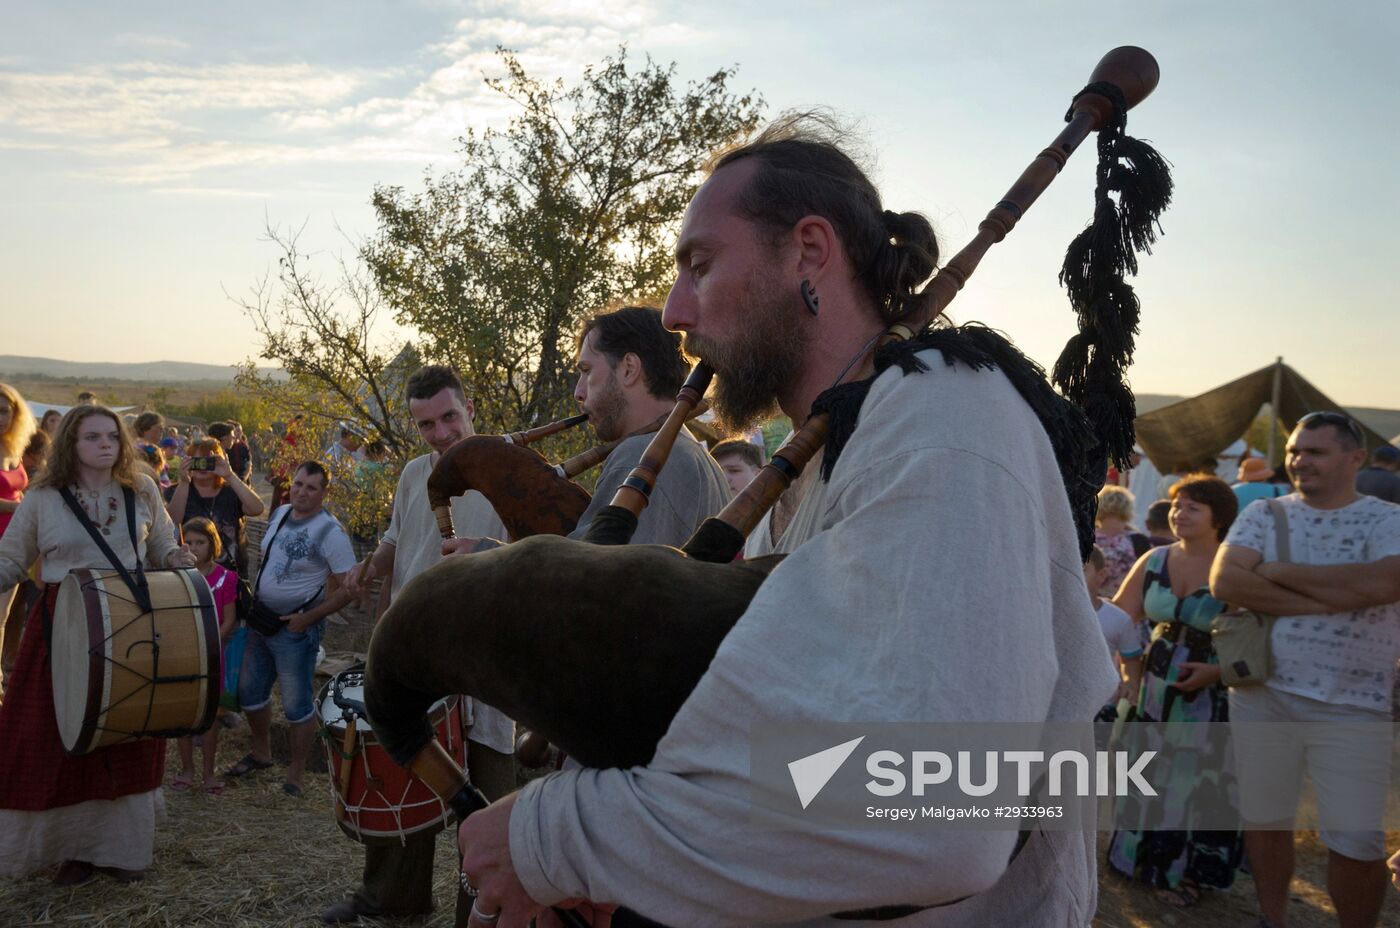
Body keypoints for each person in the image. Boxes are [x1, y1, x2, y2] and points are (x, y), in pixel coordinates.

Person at [455, 118, 1118, 925]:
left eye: (700, 264)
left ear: (808, 250)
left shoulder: (946, 420)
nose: (672, 311)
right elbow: (804, 752)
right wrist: (652, 861)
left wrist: (561, 837)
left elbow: (938, 812)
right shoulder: (830, 452)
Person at [324, 366, 515, 925]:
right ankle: (390, 902)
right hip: (414, 656)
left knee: (487, 800)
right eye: (426, 424)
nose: (440, 433)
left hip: (486, 659)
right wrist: (370, 566)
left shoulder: (512, 467)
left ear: (471, 406)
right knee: (400, 774)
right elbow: (396, 537)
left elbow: (542, 549)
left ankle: (481, 914)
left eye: (449, 417)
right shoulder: (412, 473)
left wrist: (492, 552)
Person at [1211, 411, 1400, 928]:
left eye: (1314, 452)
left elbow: (1383, 585)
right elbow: (1226, 582)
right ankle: (1273, 919)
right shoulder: (1265, 513)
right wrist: (1334, 595)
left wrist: (1277, 573)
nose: (1298, 461)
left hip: (1353, 702)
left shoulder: (1387, 520)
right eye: (1294, 451)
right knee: (1266, 819)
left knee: (1356, 838)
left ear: (1355, 458)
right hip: (1261, 691)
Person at [0, 405, 195, 882]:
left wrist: (176, 555)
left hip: (129, 627)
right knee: (48, 740)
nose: (105, 444)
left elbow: (161, 545)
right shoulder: (43, 498)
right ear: (70, 443)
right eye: (92, 436)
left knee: (127, 740)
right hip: (59, 632)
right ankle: (68, 851)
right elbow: (10, 561)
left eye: (111, 435)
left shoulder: (142, 487)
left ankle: (120, 853)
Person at [1106, 475, 1243, 906]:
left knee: (1194, 777)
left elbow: (1254, 637)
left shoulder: (1234, 565)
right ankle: (1135, 859)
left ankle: (1187, 874)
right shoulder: (1153, 560)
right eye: (1176, 506)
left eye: (1192, 508)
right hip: (1155, 680)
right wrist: (1123, 673)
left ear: (1218, 519)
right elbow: (1120, 618)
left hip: (1210, 687)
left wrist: (1217, 672)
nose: (1178, 514)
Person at [228, 461, 354, 796]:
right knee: (250, 692)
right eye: (298, 484)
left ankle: (296, 773)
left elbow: (349, 588)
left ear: (324, 493)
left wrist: (308, 619)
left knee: (296, 704)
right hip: (262, 620)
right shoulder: (281, 512)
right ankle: (261, 752)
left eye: (311, 487)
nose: (301, 491)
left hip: (296, 630)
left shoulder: (331, 532)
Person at [169, 517, 238, 796]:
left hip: (212, 656)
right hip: (184, 656)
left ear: (213, 544)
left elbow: (229, 621)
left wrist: (207, 645)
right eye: (190, 542)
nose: (195, 548)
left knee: (209, 717)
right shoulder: (176, 578)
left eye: (201, 542)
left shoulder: (226, 578)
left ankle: (209, 773)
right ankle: (187, 769)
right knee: (183, 715)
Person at [165, 437, 264, 578]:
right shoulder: (178, 491)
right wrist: (184, 482)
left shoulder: (232, 491)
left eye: (208, 461)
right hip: (192, 572)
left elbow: (257, 509)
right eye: (197, 461)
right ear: (188, 461)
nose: (203, 466)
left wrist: (229, 475)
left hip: (230, 573)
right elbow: (173, 521)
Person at [0, 384, 36, 695]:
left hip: (15, 540)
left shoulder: (14, 448)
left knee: (6, 616)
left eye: (4, 410)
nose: (0, 417)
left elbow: (17, 487)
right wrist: (21, 507)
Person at [1085, 544, 1143, 724]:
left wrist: (1130, 686)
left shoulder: (1117, 619)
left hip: (1102, 705)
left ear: (1101, 576)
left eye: (1082, 570)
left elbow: (1130, 660)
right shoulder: (1049, 613)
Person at [1095, 484, 1152, 597]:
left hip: (1093, 601)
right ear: (1127, 508)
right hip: (1127, 601)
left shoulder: (1084, 538)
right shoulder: (1138, 540)